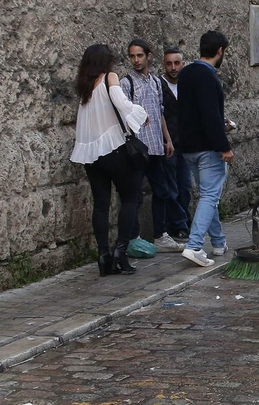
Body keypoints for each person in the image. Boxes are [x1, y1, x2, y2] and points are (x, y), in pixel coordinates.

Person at [69, 43, 149, 277]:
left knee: (101, 205)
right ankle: (120, 253)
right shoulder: (109, 78)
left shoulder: (85, 86)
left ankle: (103, 255)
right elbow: (121, 102)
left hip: (90, 155)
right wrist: (140, 115)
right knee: (130, 199)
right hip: (113, 148)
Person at [120, 39, 188, 251]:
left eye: (139, 55)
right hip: (138, 148)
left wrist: (167, 139)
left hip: (156, 146)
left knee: (162, 191)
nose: (136, 60)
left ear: (148, 56)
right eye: (132, 56)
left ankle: (160, 234)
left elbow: (160, 113)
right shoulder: (126, 83)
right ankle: (134, 237)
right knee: (135, 195)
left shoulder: (156, 82)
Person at [176, 30, 234, 268]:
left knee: (207, 196)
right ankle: (194, 245)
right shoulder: (209, 77)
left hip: (188, 146)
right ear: (220, 51)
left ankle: (219, 242)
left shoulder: (186, 73)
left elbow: (193, 112)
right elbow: (210, 115)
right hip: (207, 147)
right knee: (210, 195)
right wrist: (224, 146)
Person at [161, 47, 193, 244]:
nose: (173, 68)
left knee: (185, 187)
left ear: (183, 64)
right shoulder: (160, 85)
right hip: (168, 144)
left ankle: (182, 223)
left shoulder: (186, 85)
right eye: (169, 63)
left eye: (176, 63)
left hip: (186, 143)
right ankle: (179, 225)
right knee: (171, 187)